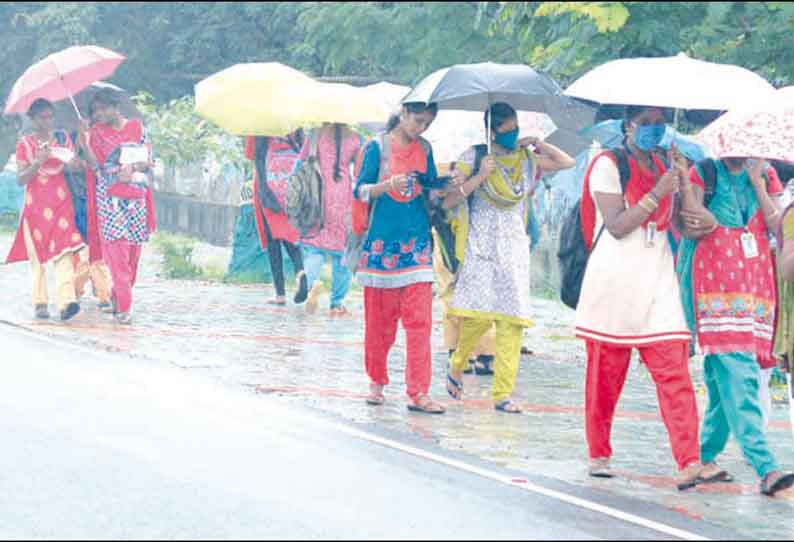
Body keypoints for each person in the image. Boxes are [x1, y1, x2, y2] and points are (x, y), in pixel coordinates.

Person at [574, 105, 705, 489]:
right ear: (627, 126)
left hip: (658, 276)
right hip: (615, 278)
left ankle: (689, 460)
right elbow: (616, 225)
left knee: (675, 371)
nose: (654, 130)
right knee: (605, 376)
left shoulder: (668, 163)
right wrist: (658, 190)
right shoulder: (607, 163)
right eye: (645, 123)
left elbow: (682, 223)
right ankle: (598, 452)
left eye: (659, 123)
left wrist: (682, 184)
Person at [443, 102, 575, 413]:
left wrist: (536, 143)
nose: (512, 132)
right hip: (481, 246)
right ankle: (458, 363)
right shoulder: (473, 157)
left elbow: (566, 162)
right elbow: (449, 199)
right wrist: (479, 176)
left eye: (515, 126)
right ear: (490, 132)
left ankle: (502, 394)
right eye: (506, 129)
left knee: (512, 321)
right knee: (477, 316)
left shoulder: (525, 160)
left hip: (514, 246)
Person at [676, 155, 794, 497]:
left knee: (721, 383)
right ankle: (765, 466)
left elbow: (778, 229)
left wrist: (758, 184)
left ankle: (703, 458)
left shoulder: (767, 175)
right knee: (739, 375)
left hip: (755, 290)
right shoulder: (705, 172)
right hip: (712, 290)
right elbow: (695, 220)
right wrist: (685, 182)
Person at [354, 101, 445, 414]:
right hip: (381, 249)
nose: (421, 129)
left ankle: (419, 391)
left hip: (417, 246)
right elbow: (360, 191)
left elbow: (431, 190)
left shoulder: (426, 149)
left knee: (420, 323)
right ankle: (376, 382)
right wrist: (387, 185)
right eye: (418, 121)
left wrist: (445, 187)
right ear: (403, 114)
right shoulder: (375, 148)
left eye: (427, 124)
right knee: (379, 325)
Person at [5, 98, 84, 321]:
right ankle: (40, 302)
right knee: (37, 257)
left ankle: (66, 301)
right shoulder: (25, 145)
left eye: (51, 116)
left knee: (65, 250)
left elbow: (76, 166)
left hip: (61, 203)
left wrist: (76, 152)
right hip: (36, 206)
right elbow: (21, 179)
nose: (48, 121)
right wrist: (38, 161)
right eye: (42, 117)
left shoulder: (63, 139)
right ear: (32, 119)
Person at [82, 89, 156, 325]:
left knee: (133, 255)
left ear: (116, 107)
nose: (99, 114)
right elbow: (96, 167)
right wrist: (85, 144)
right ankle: (124, 307)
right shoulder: (95, 133)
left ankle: (118, 294)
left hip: (136, 200)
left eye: (103, 108)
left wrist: (133, 168)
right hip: (109, 201)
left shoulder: (136, 128)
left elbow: (148, 162)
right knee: (117, 252)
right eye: (95, 111)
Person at [301, 123, 362, 316]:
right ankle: (336, 303)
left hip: (318, 195)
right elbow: (361, 171)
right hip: (343, 196)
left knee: (313, 249)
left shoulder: (316, 134)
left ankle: (311, 286)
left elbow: (301, 164)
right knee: (341, 254)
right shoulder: (354, 137)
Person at [246, 131, 309, 306]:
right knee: (290, 236)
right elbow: (304, 150)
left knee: (273, 239)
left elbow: (255, 155)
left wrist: (264, 192)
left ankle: (280, 294)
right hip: (291, 185)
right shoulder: (294, 121)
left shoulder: (261, 121)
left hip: (269, 184)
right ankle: (301, 272)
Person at [64, 109, 112, 311]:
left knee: (95, 251)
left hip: (101, 200)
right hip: (79, 201)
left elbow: (101, 167)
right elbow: (69, 165)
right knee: (87, 250)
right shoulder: (74, 138)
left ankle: (79, 291)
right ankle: (98, 293)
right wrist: (79, 141)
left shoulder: (103, 139)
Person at [225, 176, 272, 284]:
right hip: (258, 216)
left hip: (247, 219)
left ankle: (239, 274)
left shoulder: (247, 185)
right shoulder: (268, 182)